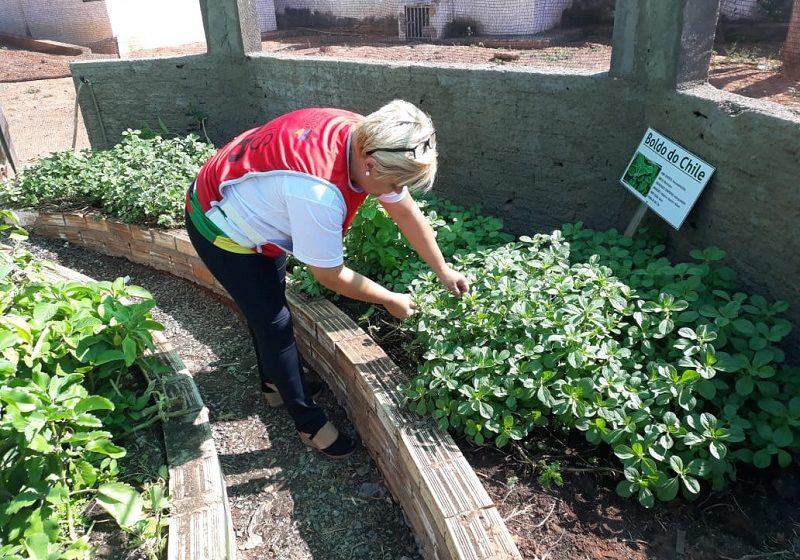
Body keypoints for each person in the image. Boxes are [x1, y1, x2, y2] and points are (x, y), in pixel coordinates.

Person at [185, 99, 469, 459]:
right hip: (218, 221)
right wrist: (388, 298)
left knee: (267, 306)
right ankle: (308, 422)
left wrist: (443, 270)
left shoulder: (368, 135)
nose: (396, 189)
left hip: (245, 193)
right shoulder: (318, 195)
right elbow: (329, 275)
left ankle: (274, 383)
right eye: (395, 181)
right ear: (369, 164)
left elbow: (405, 211)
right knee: (274, 321)